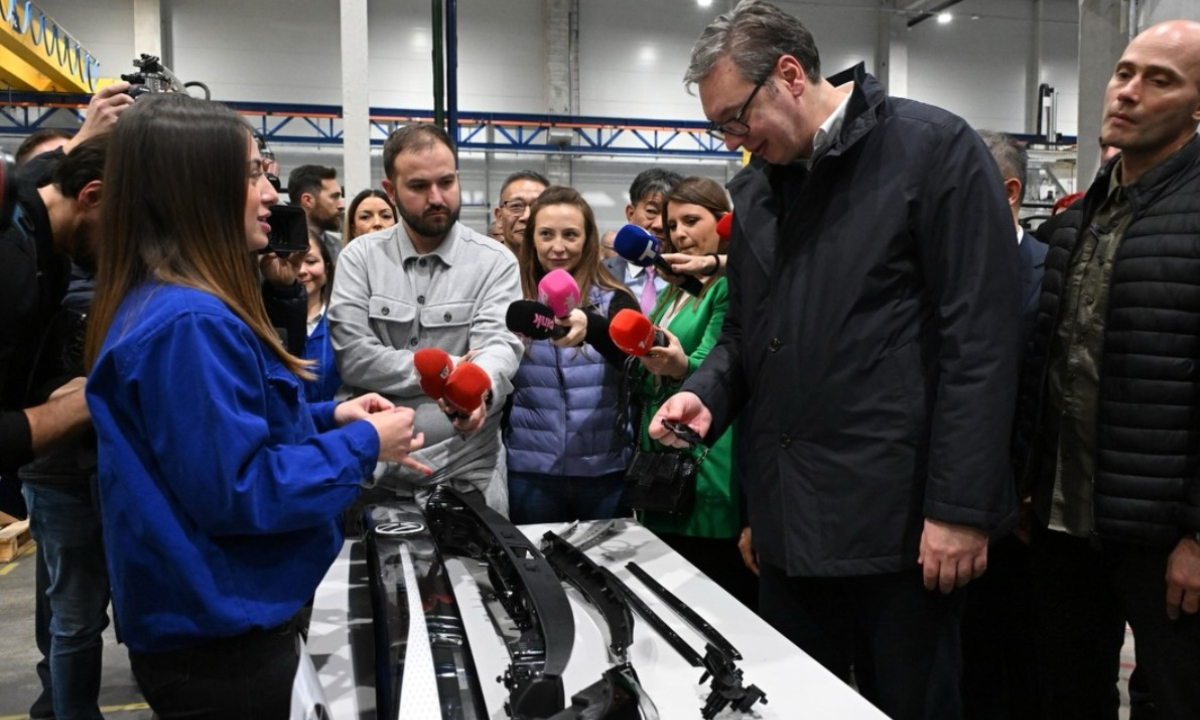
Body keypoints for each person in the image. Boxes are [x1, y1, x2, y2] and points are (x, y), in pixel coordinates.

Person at [651, 3, 1020, 718]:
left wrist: (961, 510)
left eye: (735, 117)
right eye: (719, 126)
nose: (733, 138)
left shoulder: (930, 150)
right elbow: (748, 335)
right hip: (793, 527)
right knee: (795, 706)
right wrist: (708, 394)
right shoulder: (757, 188)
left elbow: (981, 342)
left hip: (905, 530)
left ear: (789, 75)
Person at [83, 94, 427, 719]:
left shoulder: (175, 304)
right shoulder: (188, 321)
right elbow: (242, 488)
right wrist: (365, 446)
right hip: (220, 648)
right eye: (251, 175)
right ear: (195, 188)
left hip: (213, 631)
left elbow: (216, 435)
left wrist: (331, 417)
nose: (273, 193)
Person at [1012, 20, 1200, 720]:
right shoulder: (1082, 215)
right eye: (1125, 72)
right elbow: (1051, 364)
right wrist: (1029, 483)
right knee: (1062, 695)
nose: (1127, 92)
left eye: (1161, 80)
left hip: (1160, 535)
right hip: (1065, 522)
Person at [329, 123, 523, 513]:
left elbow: (499, 345)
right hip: (375, 475)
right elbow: (353, 355)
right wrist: (448, 368)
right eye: (419, 186)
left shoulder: (495, 262)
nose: (437, 197)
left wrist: (476, 390)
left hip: (466, 472)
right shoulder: (360, 258)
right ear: (391, 190)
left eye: (446, 182)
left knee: (481, 575)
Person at [956, 130, 1046, 720]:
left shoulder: (1047, 273)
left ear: (1009, 192)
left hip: (1028, 515)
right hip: (951, 510)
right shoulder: (938, 272)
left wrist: (1023, 488)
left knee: (1029, 669)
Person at [634, 176, 755, 610]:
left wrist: (678, 366)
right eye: (672, 224)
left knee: (715, 592)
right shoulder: (673, 289)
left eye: (691, 220)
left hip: (709, 451)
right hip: (662, 447)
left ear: (722, 222)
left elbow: (720, 366)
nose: (680, 233)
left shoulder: (727, 287)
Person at [505, 186, 638, 523]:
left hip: (604, 474)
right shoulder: (512, 302)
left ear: (588, 239)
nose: (558, 247)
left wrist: (595, 328)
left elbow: (637, 368)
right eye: (546, 234)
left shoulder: (616, 299)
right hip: (529, 472)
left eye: (570, 234)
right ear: (532, 238)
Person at [603, 168, 677, 315]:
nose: (659, 225)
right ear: (630, 214)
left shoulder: (691, 276)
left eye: (668, 215)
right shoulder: (601, 273)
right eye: (651, 211)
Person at [297, 233, 341, 403]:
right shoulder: (267, 325)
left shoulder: (342, 322)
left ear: (327, 268)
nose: (301, 270)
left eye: (310, 261)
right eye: (293, 261)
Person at [287, 164, 344, 260]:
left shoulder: (340, 249)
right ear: (308, 200)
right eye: (334, 197)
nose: (341, 205)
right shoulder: (277, 249)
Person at [494, 169, 550, 255]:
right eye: (516, 206)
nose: (527, 216)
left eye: (536, 207)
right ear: (499, 217)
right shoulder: (485, 266)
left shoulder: (562, 266)